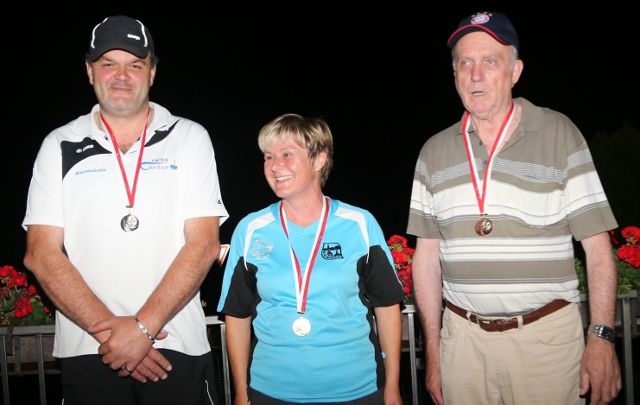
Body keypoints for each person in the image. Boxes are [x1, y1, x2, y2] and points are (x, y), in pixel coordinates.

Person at [407, 11, 621, 405]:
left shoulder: (559, 134)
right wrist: (434, 355)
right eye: (465, 63)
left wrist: (602, 337)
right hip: (463, 346)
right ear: (454, 75)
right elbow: (426, 260)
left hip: (546, 343)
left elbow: (596, 246)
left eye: (490, 61)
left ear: (515, 71)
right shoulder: (433, 152)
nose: (475, 74)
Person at [22, 15, 228, 405]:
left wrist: (142, 329)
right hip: (91, 347)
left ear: (152, 72)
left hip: (176, 344)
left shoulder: (190, 137)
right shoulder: (59, 143)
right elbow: (41, 253)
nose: (121, 76)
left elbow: (203, 244)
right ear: (89, 71)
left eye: (134, 64)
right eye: (108, 64)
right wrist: (116, 337)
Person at [217, 114, 404, 404]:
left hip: (356, 389)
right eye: (268, 157)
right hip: (271, 391)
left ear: (319, 160)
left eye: (286, 154)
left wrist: (392, 386)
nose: (274, 166)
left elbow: (388, 306)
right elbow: (237, 315)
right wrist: (241, 392)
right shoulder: (250, 229)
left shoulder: (359, 223)